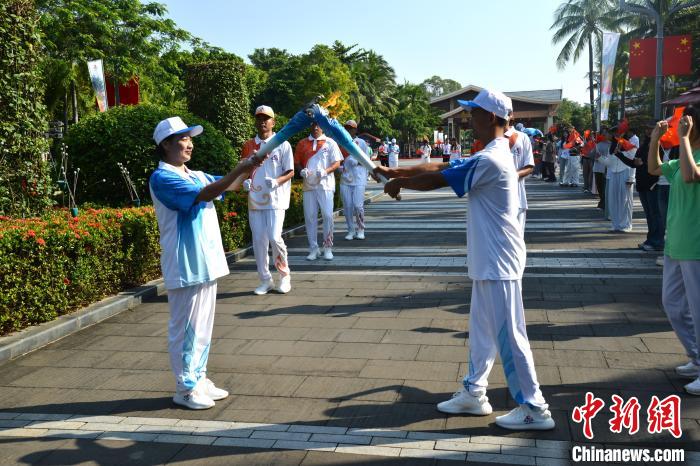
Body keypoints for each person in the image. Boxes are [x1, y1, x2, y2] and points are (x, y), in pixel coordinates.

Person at [375, 89, 555, 430]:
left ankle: (534, 407)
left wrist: (400, 182)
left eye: (473, 114)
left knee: (510, 335)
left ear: (491, 118)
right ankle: (474, 392)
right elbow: (441, 165)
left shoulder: (492, 159)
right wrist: (392, 170)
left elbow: (437, 179)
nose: (468, 120)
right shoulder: (490, 153)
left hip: (499, 261)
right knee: (482, 331)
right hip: (489, 260)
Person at [149, 116, 262, 410]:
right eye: (183, 139)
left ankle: (198, 378)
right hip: (185, 263)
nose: (190, 144)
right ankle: (185, 388)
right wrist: (240, 167)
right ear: (166, 145)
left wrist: (249, 168)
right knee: (185, 328)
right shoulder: (162, 178)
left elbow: (229, 185)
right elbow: (207, 193)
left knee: (202, 328)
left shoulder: (195, 173)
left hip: (207, 261)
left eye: (190, 138)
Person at [648, 105, 700, 395]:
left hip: (696, 244)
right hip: (677, 242)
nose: (679, 127)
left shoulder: (690, 156)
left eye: (684, 123)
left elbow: (693, 175)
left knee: (697, 308)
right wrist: (656, 139)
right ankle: (695, 357)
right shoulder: (683, 156)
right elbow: (655, 168)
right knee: (673, 304)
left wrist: (683, 140)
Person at [240, 105, 294, 295]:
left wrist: (277, 182)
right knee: (259, 241)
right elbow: (243, 169)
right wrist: (245, 181)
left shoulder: (282, 144)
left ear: (273, 121)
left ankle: (284, 276)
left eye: (266, 118)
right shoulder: (248, 145)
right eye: (259, 118)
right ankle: (265, 280)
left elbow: (290, 171)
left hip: (276, 198)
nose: (262, 121)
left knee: (274, 237)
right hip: (255, 198)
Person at [294, 122, 343, 261]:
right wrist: (301, 170)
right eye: (313, 125)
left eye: (318, 125)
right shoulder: (302, 143)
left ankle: (328, 247)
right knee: (310, 217)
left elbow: (337, 162)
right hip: (309, 185)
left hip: (325, 184)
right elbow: (296, 162)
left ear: (322, 127)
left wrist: (326, 171)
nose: (315, 127)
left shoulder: (330, 143)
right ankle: (313, 249)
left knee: (327, 216)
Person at [613, 121, 662, 250]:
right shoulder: (644, 145)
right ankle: (651, 239)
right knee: (649, 214)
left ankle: (657, 241)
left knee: (655, 214)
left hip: (653, 184)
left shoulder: (659, 144)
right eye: (647, 129)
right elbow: (634, 163)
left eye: (651, 129)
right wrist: (618, 154)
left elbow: (659, 164)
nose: (648, 131)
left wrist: (643, 163)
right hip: (642, 184)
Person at [339, 120, 369, 240]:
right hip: (345, 179)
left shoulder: (361, 143)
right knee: (347, 206)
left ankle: (360, 229)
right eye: (346, 128)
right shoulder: (340, 142)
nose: (348, 130)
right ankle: (351, 230)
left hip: (359, 178)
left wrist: (358, 162)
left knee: (358, 206)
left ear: (355, 130)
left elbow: (367, 160)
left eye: (351, 128)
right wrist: (340, 168)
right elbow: (338, 160)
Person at [505, 118, 535, 234]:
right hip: (495, 200)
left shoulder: (523, 137)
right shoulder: (492, 140)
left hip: (518, 197)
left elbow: (529, 166)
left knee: (517, 239)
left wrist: (511, 177)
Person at [607, 126, 639, 232]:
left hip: (625, 172)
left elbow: (633, 161)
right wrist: (599, 158)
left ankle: (626, 224)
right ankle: (616, 224)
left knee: (625, 200)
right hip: (614, 173)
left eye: (619, 133)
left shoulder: (629, 144)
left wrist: (631, 177)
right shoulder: (612, 145)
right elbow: (609, 162)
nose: (616, 135)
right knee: (613, 199)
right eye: (615, 133)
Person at [593, 128, 611, 210]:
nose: (604, 135)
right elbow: (593, 155)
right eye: (602, 134)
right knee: (599, 186)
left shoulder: (611, 144)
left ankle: (604, 203)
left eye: (605, 133)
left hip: (605, 168)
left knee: (604, 186)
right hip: (597, 168)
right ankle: (602, 201)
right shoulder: (597, 144)